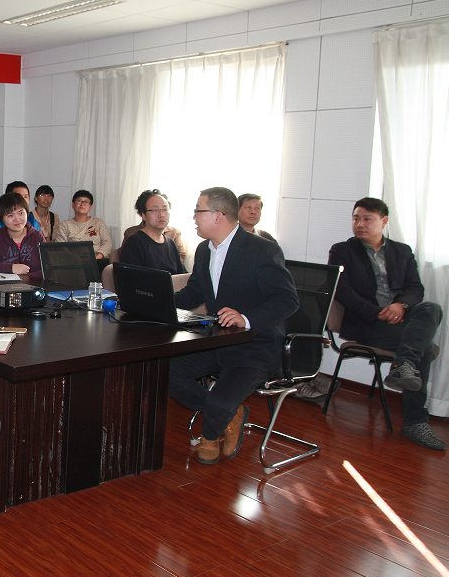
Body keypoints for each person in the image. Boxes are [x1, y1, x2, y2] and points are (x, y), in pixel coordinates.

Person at [169, 187, 298, 464]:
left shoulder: (262, 250)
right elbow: (194, 293)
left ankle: (210, 435)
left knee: (219, 400)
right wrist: (159, 302)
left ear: (218, 215)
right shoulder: (204, 250)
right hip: (217, 340)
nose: (194, 217)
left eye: (198, 211)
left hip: (255, 345)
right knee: (166, 373)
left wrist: (247, 319)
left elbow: (287, 300)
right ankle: (230, 413)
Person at [328, 197, 445, 449]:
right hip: (368, 323)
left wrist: (399, 306)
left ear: (384, 221)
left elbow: (416, 288)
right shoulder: (342, 250)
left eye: (367, 219)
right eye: (356, 218)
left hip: (400, 316)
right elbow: (342, 291)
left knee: (431, 308)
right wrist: (378, 312)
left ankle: (402, 365)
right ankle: (415, 421)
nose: (360, 224)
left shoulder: (402, 251)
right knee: (423, 348)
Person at [0, 192, 45, 280]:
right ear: (2, 219)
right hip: (4, 286)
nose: (17, 219)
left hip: (33, 286)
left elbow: (48, 268)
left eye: (21, 213)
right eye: (10, 215)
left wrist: (25, 278)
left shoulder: (37, 236)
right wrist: (11, 268)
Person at [120, 189, 186, 274]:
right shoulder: (134, 242)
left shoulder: (171, 243)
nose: (161, 214)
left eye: (165, 209)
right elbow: (132, 278)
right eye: (155, 210)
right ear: (143, 215)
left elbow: (182, 275)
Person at [55, 190, 113, 265]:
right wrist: (74, 260)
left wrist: (96, 258)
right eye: (79, 201)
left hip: (96, 261)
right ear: (73, 205)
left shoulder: (98, 222)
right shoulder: (65, 225)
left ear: (90, 207)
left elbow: (108, 243)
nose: (82, 204)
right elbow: (61, 246)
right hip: (73, 263)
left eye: (86, 202)